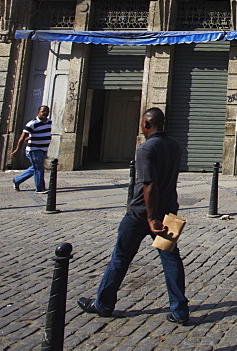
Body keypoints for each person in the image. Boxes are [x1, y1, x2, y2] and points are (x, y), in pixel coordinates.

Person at [77, 108, 189, 325]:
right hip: (170, 213)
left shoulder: (146, 148)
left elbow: (148, 184)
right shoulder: (175, 145)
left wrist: (151, 217)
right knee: (171, 259)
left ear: (146, 124)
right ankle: (180, 310)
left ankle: (103, 303)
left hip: (141, 214)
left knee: (120, 258)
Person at [11, 105, 51, 193]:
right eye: (43, 111)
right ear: (38, 113)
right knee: (39, 169)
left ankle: (17, 180)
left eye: (47, 111)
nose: (45, 113)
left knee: (36, 168)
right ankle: (40, 188)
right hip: (34, 149)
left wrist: (30, 137)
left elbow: (40, 133)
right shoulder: (32, 124)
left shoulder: (48, 122)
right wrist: (17, 150)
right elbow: (22, 138)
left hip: (43, 149)